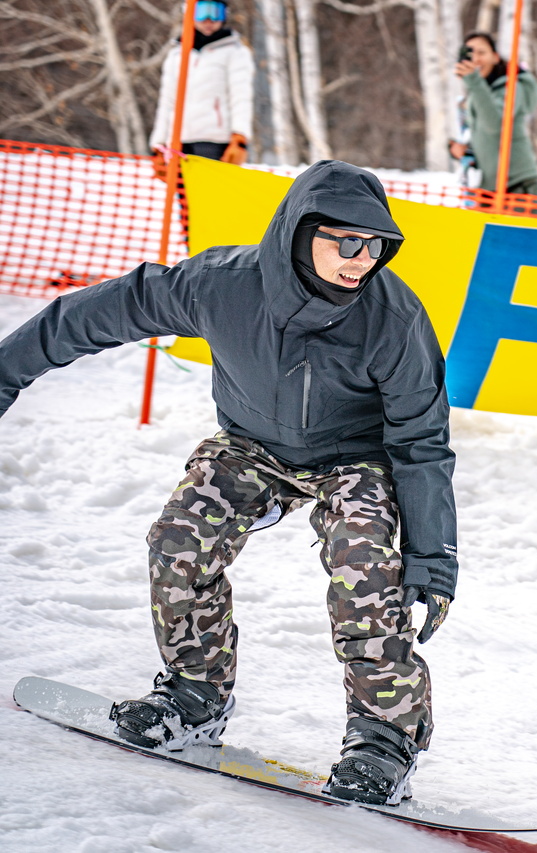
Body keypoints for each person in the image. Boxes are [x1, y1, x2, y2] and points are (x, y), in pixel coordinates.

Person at [0, 160, 458, 808]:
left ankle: (384, 739)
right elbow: (90, 316)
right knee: (178, 539)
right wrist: (5, 374)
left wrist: (433, 557)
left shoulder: (393, 317)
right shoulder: (222, 285)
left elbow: (420, 440)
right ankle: (194, 695)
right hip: (251, 444)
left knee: (364, 562)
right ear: (302, 231)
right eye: (347, 241)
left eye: (376, 243)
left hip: (353, 458)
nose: (363, 259)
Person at [149, 0, 254, 177]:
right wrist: (158, 144)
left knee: (211, 200)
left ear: (224, 16)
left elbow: (241, 97)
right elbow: (167, 101)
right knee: (186, 201)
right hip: (178, 142)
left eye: (216, 13)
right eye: (202, 12)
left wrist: (240, 137)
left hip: (215, 142)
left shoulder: (234, 52)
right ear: (189, 14)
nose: (208, 19)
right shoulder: (177, 54)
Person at [448, 32, 537, 202]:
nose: (475, 59)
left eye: (481, 53)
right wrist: (464, 150)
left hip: (516, 184)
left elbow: (496, 125)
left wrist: (474, 81)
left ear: (495, 57)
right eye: (470, 53)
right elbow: (485, 136)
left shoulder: (512, 87)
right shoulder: (479, 89)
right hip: (487, 187)